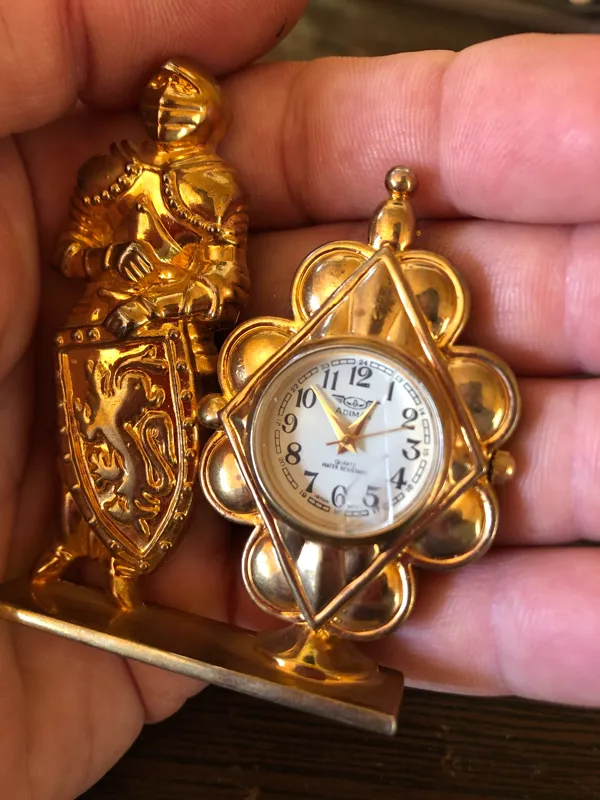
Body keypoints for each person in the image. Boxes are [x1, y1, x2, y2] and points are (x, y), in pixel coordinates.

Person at [1, 0, 599, 796]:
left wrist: (172, 288)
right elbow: (75, 250)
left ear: (210, 119)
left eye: (185, 102)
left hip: (163, 341)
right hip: (94, 329)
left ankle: (121, 562)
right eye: (163, 100)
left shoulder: (215, 187)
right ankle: (71, 546)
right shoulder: (116, 171)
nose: (170, 111)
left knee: (145, 451)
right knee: (84, 438)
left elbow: (226, 283)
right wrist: (102, 243)